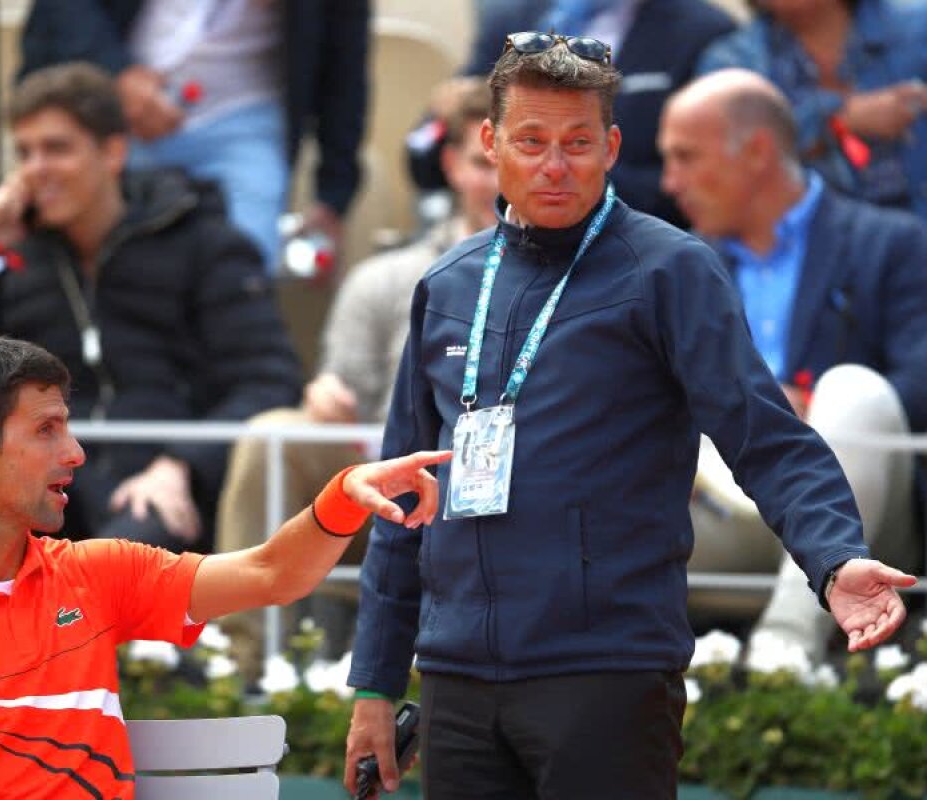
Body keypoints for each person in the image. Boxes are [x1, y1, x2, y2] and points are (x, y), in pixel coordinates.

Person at [344, 33, 915, 799]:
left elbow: (767, 439)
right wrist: (375, 686)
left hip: (605, 672)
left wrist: (835, 559)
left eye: (578, 142)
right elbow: (397, 500)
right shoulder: (446, 285)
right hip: (457, 681)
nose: (556, 165)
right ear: (490, 142)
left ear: (612, 146)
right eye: (532, 141)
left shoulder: (668, 270)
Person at [0, 334, 448, 799]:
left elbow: (272, 574)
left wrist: (342, 495)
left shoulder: (98, 573)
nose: (74, 452)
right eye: (46, 430)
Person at [0, 62, 303, 555]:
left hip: (171, 490)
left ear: (113, 152)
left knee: (123, 552)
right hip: (49, 485)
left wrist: (182, 465)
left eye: (57, 148)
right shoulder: (12, 255)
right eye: (24, 152)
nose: (35, 169)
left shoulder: (204, 243)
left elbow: (268, 381)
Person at [216, 78, 500, 684]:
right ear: (451, 165)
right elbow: (339, 395)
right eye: (483, 161)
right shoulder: (383, 278)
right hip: (389, 486)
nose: (498, 179)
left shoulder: (585, 284)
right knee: (274, 435)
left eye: (513, 156)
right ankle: (242, 667)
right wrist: (326, 396)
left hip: (510, 492)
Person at [657, 68, 927, 657]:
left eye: (685, 156)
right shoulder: (670, 266)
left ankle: (785, 649)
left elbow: (918, 386)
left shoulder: (894, 243)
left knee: (854, 391)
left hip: (853, 510)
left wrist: (806, 415)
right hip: (711, 512)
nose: (669, 182)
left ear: (755, 152)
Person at [18, 0, 369, 271]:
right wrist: (117, 73)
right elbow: (64, 10)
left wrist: (331, 198)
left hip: (246, 116)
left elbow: (345, 65)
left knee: (244, 268)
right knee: (107, 264)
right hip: (115, 109)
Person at [410, 0, 736, 226]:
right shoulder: (512, 18)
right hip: (498, 233)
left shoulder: (702, 31)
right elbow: (422, 153)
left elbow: (699, 181)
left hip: (630, 244)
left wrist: (571, 174)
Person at [696, 0, 927, 221]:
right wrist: (837, 122)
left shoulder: (917, 30)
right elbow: (728, 158)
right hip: (806, 242)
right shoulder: (733, 62)